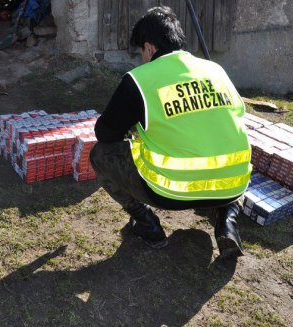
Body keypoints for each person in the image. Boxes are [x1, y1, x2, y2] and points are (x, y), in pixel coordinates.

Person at [90, 6, 251, 259]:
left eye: (140, 52)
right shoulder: (215, 70)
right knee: (222, 155)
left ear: (149, 47)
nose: (141, 58)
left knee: (100, 155)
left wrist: (135, 125)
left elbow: (105, 134)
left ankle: (147, 224)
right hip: (232, 185)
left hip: (169, 193)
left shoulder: (140, 79)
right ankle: (227, 222)